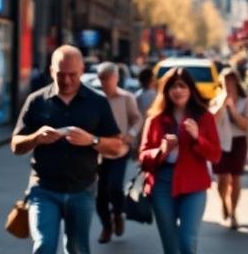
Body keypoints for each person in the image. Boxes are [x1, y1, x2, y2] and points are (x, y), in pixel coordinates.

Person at [11, 46, 126, 254]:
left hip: (82, 189)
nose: (66, 81)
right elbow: (15, 145)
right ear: (51, 70)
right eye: (60, 74)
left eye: (72, 75)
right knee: (43, 246)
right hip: (43, 188)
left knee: (77, 249)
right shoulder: (36, 101)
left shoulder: (97, 102)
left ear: (82, 70)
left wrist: (92, 140)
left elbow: (117, 145)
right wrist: (35, 138)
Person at [139, 68, 222, 254]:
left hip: (194, 184)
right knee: (171, 246)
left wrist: (197, 137)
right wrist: (161, 150)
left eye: (182, 86)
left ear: (191, 89)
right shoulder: (155, 119)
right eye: (173, 87)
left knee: (186, 243)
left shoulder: (204, 117)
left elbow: (215, 155)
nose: (178, 91)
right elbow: (143, 157)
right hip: (161, 184)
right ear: (166, 91)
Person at [96, 61, 143, 243]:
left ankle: (117, 214)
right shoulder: (96, 99)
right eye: (101, 80)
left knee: (115, 187)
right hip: (99, 151)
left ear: (115, 78)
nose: (104, 83)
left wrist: (131, 134)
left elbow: (137, 119)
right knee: (100, 196)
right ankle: (106, 226)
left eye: (107, 79)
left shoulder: (126, 98)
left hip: (119, 151)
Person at [212, 68, 248, 230]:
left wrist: (233, 110)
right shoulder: (217, 100)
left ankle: (234, 212)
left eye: (230, 81)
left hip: (238, 142)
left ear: (236, 82)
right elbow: (212, 123)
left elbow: (246, 125)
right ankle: (224, 202)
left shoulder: (246, 102)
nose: (228, 85)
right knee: (222, 179)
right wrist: (222, 106)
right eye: (224, 82)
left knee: (236, 177)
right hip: (221, 143)